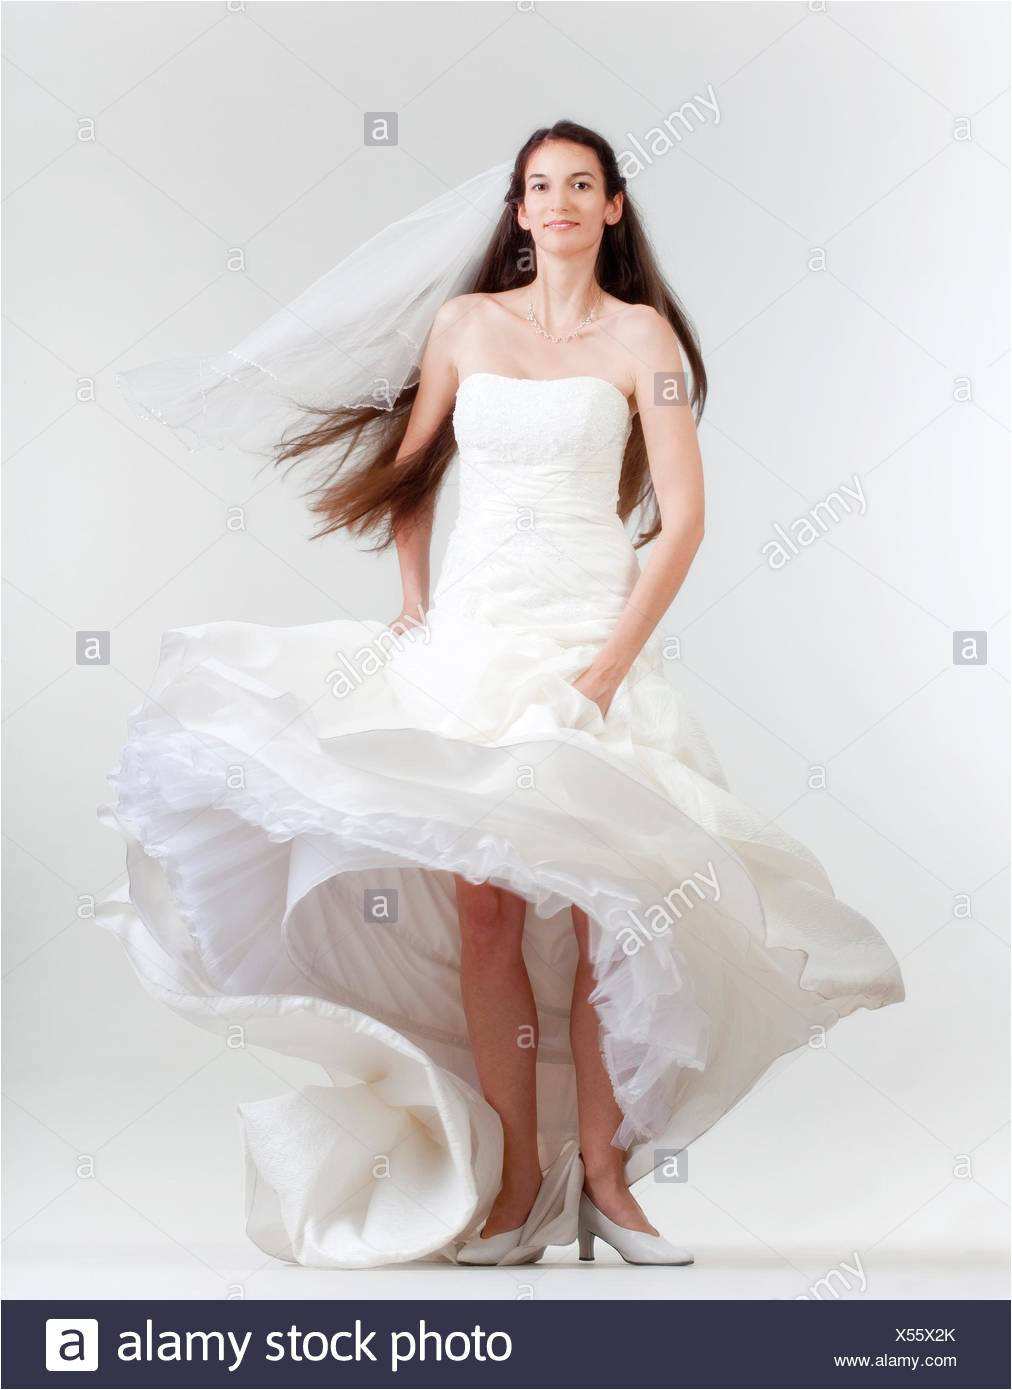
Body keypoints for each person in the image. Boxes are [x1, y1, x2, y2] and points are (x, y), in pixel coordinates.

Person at [98, 120, 904, 1270]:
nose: (562, 201)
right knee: (482, 906)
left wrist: (612, 665)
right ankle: (520, 1183)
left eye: (583, 185)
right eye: (542, 187)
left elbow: (684, 518)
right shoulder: (464, 325)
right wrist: (419, 604)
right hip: (477, 643)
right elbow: (416, 473)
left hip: (588, 638)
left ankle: (610, 1185)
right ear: (519, 212)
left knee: (600, 908)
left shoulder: (644, 340)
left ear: (612, 209)